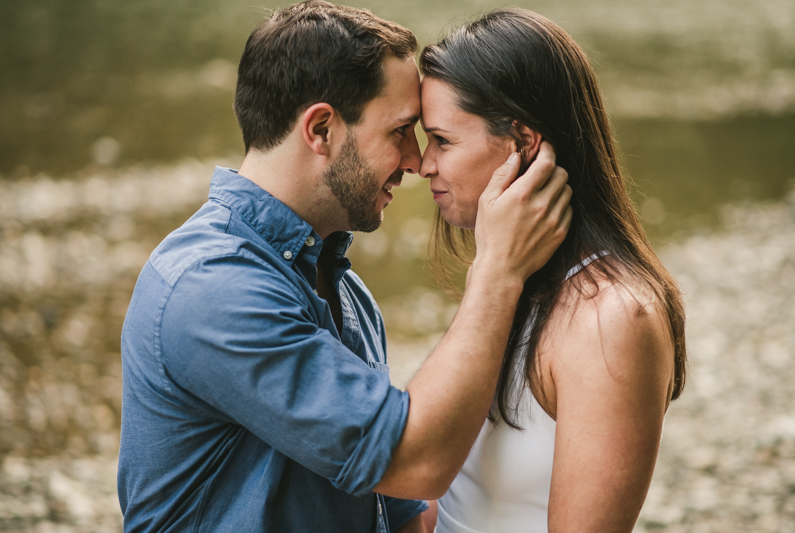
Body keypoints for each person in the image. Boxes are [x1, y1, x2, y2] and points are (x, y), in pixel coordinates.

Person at [117, 2, 573, 532]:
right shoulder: (210, 286)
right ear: (322, 129)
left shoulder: (345, 291)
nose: (416, 160)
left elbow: (396, 512)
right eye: (401, 130)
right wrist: (498, 270)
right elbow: (415, 463)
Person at [416, 8, 687, 533]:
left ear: (523, 143)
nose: (425, 164)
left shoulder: (611, 318)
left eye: (443, 140)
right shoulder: (507, 276)